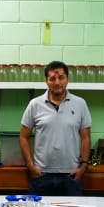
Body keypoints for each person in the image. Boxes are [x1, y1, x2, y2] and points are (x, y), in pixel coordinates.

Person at [19, 61, 92, 197]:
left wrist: (83, 166)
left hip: (71, 175)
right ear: (46, 81)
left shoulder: (80, 104)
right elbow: (23, 136)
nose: (57, 82)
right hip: (41, 175)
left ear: (67, 79)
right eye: (52, 78)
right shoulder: (35, 104)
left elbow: (85, 137)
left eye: (61, 77)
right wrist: (30, 165)